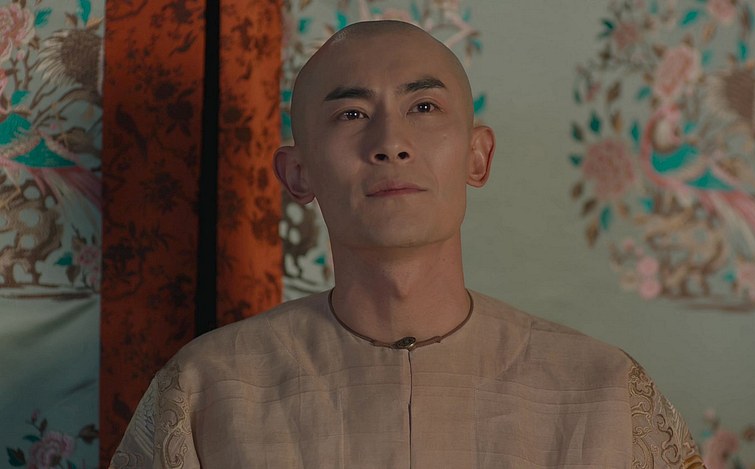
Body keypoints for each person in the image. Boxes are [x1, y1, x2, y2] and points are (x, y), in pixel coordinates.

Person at [110, 20, 704, 468]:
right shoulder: (208, 392)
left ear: (477, 156)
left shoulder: (602, 392)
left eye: (423, 107)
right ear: (298, 174)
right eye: (350, 114)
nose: (391, 142)